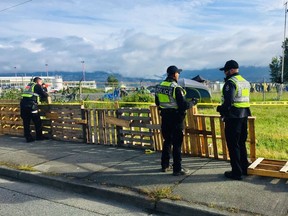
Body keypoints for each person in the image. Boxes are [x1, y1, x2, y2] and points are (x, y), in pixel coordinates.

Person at [155, 65, 198, 176]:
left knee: (167, 141)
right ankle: (177, 169)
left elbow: (157, 103)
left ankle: (165, 165)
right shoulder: (176, 88)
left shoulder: (159, 87)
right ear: (175, 74)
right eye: (178, 73)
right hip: (176, 119)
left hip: (165, 117)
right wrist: (193, 102)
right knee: (177, 143)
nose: (178, 75)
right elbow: (183, 105)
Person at [216, 60, 251, 180]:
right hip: (244, 115)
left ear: (230, 70)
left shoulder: (230, 83)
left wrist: (220, 109)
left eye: (226, 71)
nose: (225, 73)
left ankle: (236, 172)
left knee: (233, 145)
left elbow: (228, 102)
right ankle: (244, 168)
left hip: (233, 118)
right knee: (241, 143)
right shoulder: (245, 82)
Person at [20, 77, 49, 142]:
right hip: (31, 106)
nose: (41, 84)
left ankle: (28, 138)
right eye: (41, 82)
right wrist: (44, 88)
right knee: (37, 121)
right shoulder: (37, 86)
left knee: (26, 122)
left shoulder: (29, 86)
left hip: (23, 106)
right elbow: (45, 95)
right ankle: (39, 136)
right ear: (38, 81)